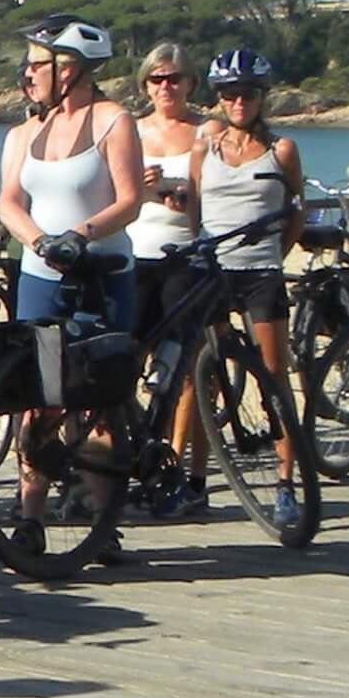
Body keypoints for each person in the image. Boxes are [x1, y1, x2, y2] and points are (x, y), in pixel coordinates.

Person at [0, 16, 143, 560]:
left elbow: (129, 199)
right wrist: (39, 242)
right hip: (42, 277)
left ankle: (100, 516)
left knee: (103, 397)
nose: (27, 74)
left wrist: (81, 235)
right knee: (40, 396)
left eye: (37, 64)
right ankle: (30, 512)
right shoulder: (23, 133)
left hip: (104, 273)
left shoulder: (113, 121)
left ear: (70, 68)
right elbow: (10, 200)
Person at [188, 49, 307, 530]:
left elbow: (296, 210)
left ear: (262, 96)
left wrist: (277, 253)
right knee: (206, 373)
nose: (238, 101)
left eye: (248, 93)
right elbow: (195, 206)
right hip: (213, 272)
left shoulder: (282, 149)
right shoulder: (207, 145)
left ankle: (285, 483)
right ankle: (195, 479)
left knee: (273, 377)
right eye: (229, 94)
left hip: (261, 273)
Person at [130, 42, 211, 521]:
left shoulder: (206, 130)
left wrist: (187, 194)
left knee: (184, 368)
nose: (166, 87)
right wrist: (142, 191)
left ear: (190, 83)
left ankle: (180, 471)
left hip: (187, 257)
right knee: (130, 361)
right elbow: (115, 193)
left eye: (174, 78)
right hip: (137, 255)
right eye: (157, 79)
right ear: (145, 85)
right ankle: (136, 461)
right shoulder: (132, 132)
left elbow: (216, 195)